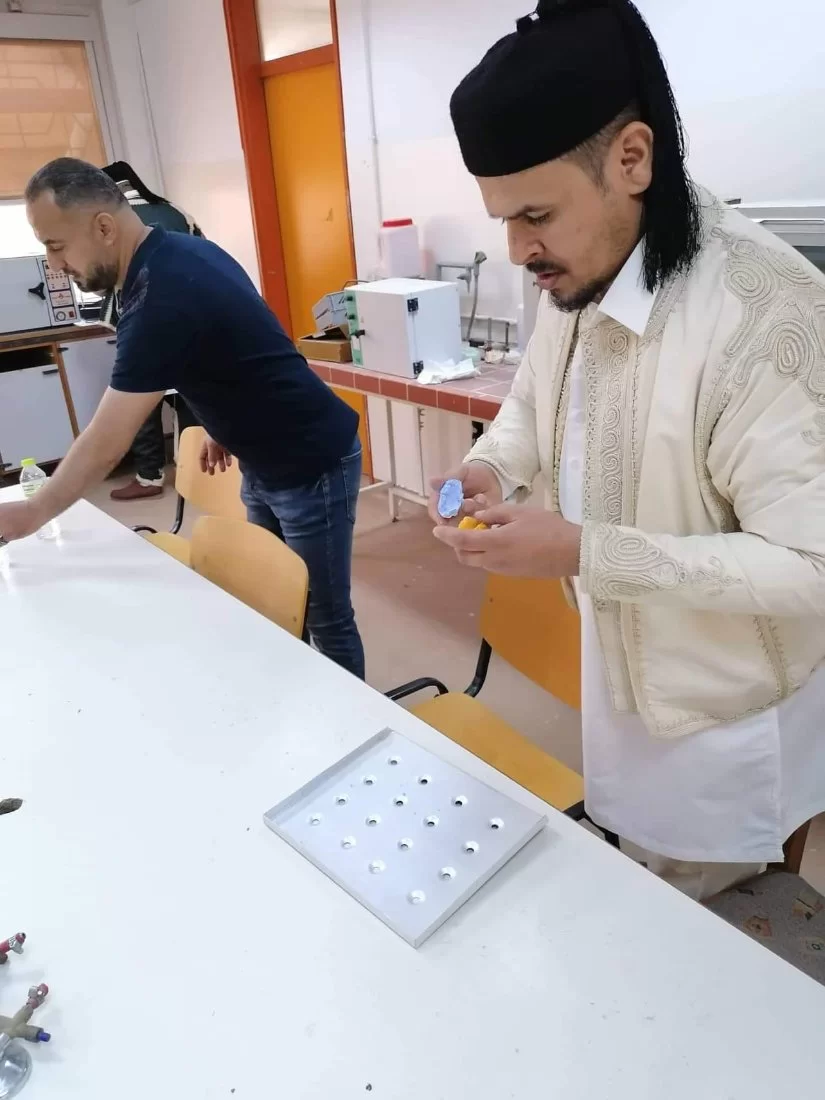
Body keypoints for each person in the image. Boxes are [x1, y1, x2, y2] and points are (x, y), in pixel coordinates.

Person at [432, 0, 825, 901]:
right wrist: (488, 467)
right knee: (639, 881)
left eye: (535, 214)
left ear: (632, 158)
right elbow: (534, 402)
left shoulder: (765, 315)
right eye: (502, 219)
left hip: (726, 709)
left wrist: (584, 551)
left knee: (706, 921)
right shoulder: (579, 267)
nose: (517, 250)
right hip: (621, 667)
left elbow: (810, 565)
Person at [0, 158, 365, 681]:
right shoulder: (180, 249)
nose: (54, 266)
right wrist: (220, 422)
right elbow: (242, 341)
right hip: (261, 458)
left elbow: (107, 441)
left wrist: (34, 512)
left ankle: (356, 720)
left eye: (56, 246)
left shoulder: (160, 296)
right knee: (273, 601)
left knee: (326, 616)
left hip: (310, 461)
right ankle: (295, 692)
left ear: (103, 227)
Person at [101, 161, 203, 502]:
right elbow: (203, 252)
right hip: (191, 318)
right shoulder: (175, 211)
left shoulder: (113, 223)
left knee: (139, 400)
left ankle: (149, 476)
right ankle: (197, 473)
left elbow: (111, 280)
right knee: (190, 395)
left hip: (144, 320)